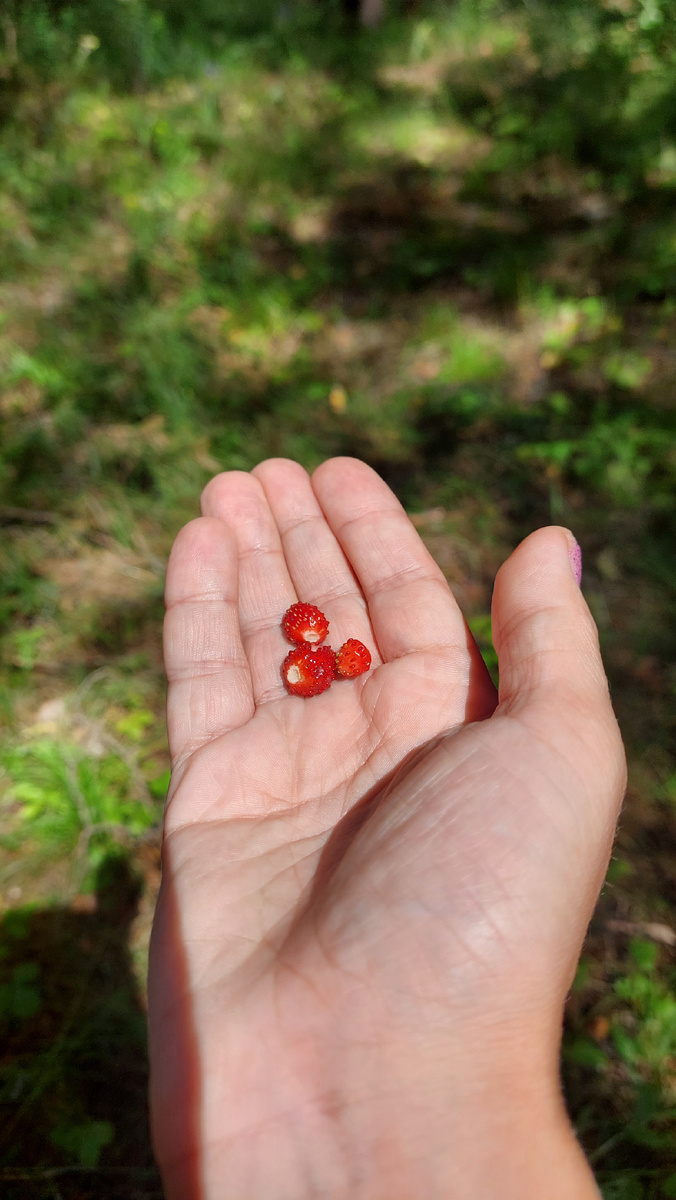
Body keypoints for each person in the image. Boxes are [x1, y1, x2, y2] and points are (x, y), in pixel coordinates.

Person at [148, 456, 626, 1200]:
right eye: (312, 655)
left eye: (317, 654)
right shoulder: (317, 653)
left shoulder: (326, 657)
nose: (312, 655)